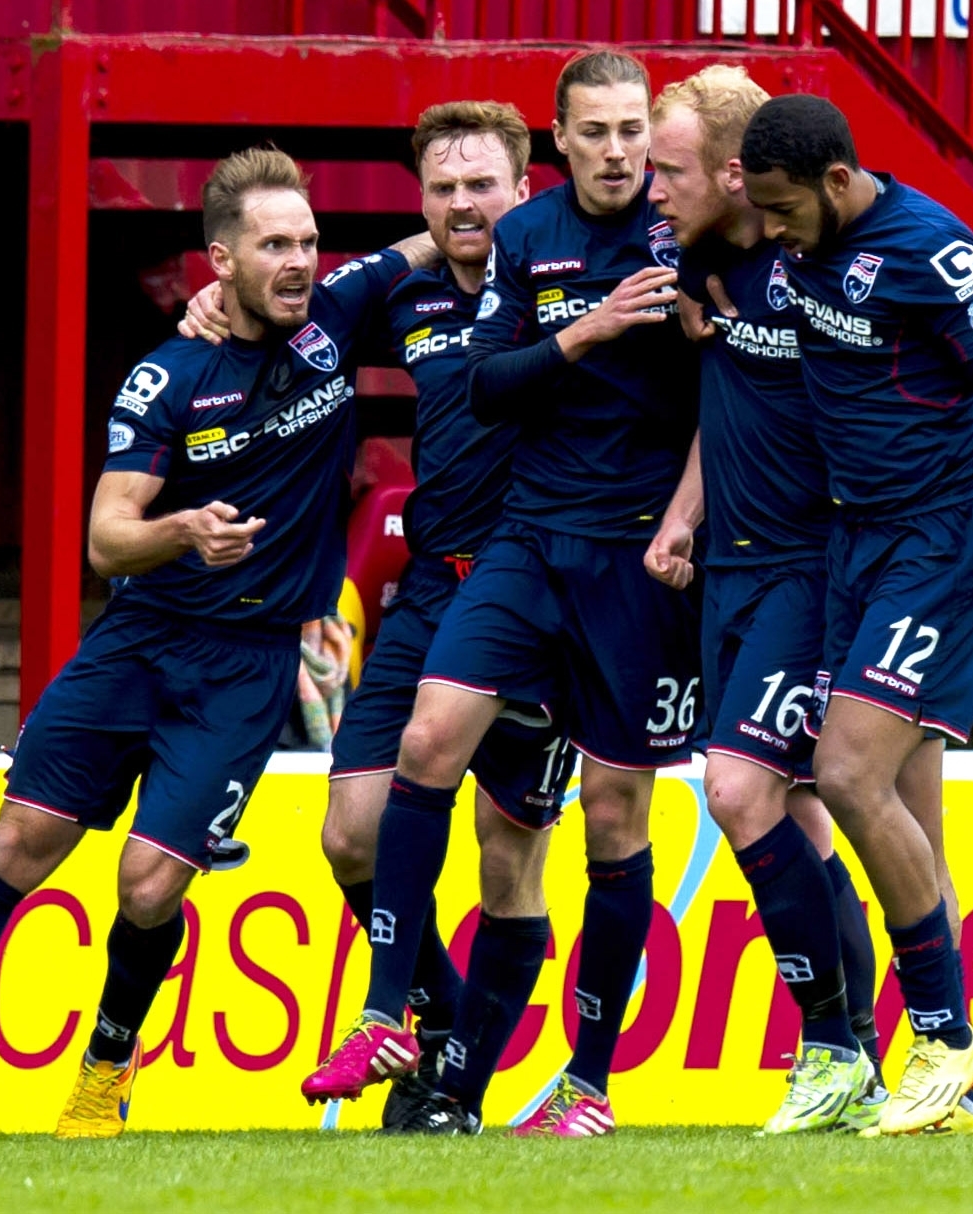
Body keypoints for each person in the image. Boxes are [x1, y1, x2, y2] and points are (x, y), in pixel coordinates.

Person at [0, 147, 438, 1140]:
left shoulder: (335, 322)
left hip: (246, 665)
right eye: (274, 245)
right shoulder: (168, 375)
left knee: (146, 879)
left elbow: (450, 232)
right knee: (17, 842)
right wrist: (185, 529)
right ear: (221, 259)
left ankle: (103, 1072)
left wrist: (521, 200)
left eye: (308, 241)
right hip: (138, 640)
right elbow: (104, 537)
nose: (300, 261)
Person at [299, 49, 702, 1138]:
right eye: (598, 131)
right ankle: (392, 1014)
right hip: (503, 558)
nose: (618, 150)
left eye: (634, 131)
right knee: (411, 763)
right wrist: (592, 325)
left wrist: (692, 516)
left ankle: (576, 1086)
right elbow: (484, 379)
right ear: (560, 142)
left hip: (636, 566)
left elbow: (739, 383)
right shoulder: (511, 249)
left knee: (600, 823)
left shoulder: (690, 232)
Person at [182, 101, 578, 1135]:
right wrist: (211, 305)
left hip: (539, 591)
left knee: (506, 850)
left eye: (481, 184)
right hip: (431, 590)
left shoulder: (563, 277)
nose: (461, 204)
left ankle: (455, 1088)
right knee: (350, 835)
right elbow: (287, 304)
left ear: (523, 188)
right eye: (442, 187)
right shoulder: (391, 290)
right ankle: (433, 1029)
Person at [740, 94, 973, 1136]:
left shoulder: (931, 249)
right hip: (855, 544)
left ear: (837, 181)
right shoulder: (802, 241)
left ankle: (946, 1034)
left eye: (783, 209)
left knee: (845, 772)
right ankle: (965, 1092)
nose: (772, 229)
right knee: (913, 822)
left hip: (937, 542)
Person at [643, 63, 887, 1134]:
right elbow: (728, 402)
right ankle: (862, 1054)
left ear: (737, 174)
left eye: (670, 170)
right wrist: (681, 513)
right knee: (792, 814)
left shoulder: (822, 267)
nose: (652, 187)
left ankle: (830, 1041)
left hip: (807, 568)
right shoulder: (696, 261)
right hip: (728, 570)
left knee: (739, 792)